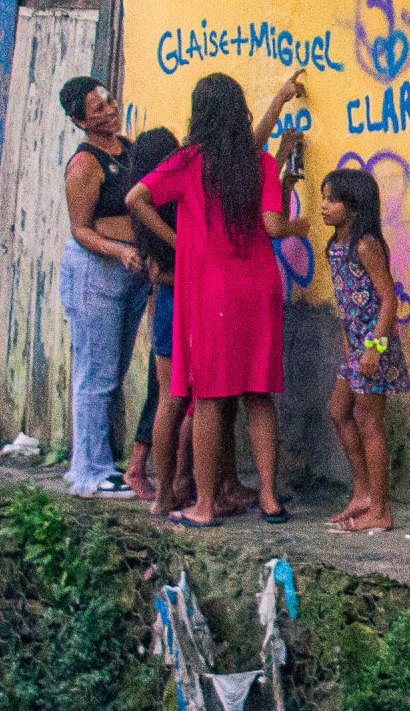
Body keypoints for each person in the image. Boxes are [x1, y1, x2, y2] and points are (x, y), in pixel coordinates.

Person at [128, 72, 309, 528]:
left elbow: (136, 198)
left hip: (212, 291)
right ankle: (269, 498)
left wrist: (179, 241)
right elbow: (272, 222)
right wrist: (279, 101)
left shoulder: (188, 161)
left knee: (209, 397)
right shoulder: (259, 163)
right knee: (258, 393)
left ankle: (205, 505)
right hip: (259, 288)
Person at [56, 76, 153, 498]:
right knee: (95, 372)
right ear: (80, 121)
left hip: (131, 270)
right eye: (97, 109)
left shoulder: (127, 149)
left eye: (109, 101)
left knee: (112, 368)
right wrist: (118, 250)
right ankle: (90, 473)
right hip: (96, 272)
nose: (109, 111)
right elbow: (81, 229)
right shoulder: (84, 165)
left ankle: (93, 460)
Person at [321, 166, 410, 534]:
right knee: (338, 411)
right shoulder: (335, 247)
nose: (324, 206)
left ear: (354, 206)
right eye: (324, 198)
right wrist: (349, 344)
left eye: (332, 200)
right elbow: (345, 301)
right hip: (355, 347)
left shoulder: (365, 246)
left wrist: (373, 347)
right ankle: (363, 493)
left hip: (373, 345)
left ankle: (381, 510)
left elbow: (388, 298)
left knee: (369, 422)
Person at [121, 127, 183, 503]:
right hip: (172, 306)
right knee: (168, 395)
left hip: (165, 307)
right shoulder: (158, 210)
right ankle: (149, 475)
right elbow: (159, 273)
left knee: (164, 394)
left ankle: (161, 479)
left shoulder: (154, 210)